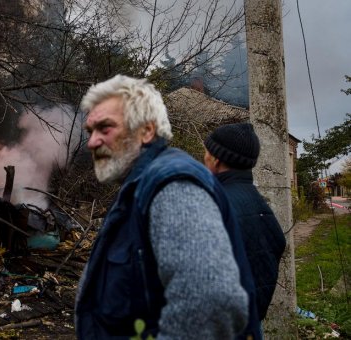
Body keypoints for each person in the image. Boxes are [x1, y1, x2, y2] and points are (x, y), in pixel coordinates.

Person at [75, 75, 260, 339]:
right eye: (89, 132)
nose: (92, 142)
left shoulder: (172, 185)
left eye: (105, 129)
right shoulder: (140, 187)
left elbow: (211, 300)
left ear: (147, 131)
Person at [204, 122, 286, 322]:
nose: (203, 158)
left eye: (206, 152)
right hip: (250, 322)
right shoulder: (259, 203)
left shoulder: (213, 204)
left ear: (215, 159)